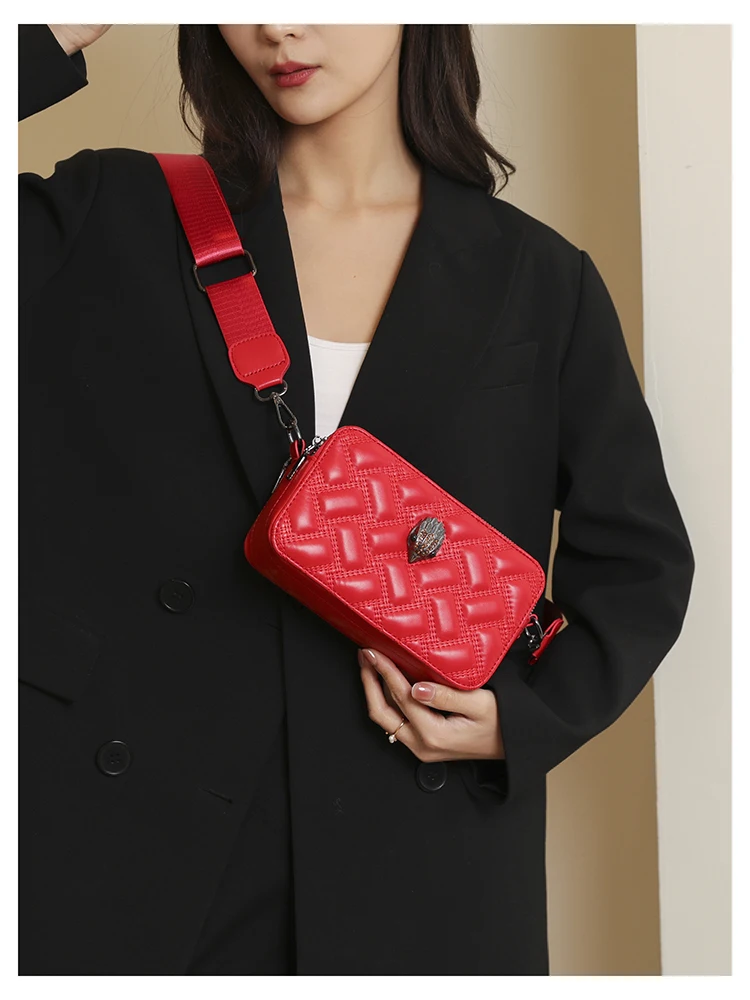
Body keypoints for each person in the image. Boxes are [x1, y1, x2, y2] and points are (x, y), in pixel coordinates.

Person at [18, 23, 695, 976]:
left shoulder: (537, 277)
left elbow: (639, 560)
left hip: (413, 868)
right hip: (116, 849)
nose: (278, 24)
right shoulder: (108, 214)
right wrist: (42, 31)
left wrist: (522, 720)